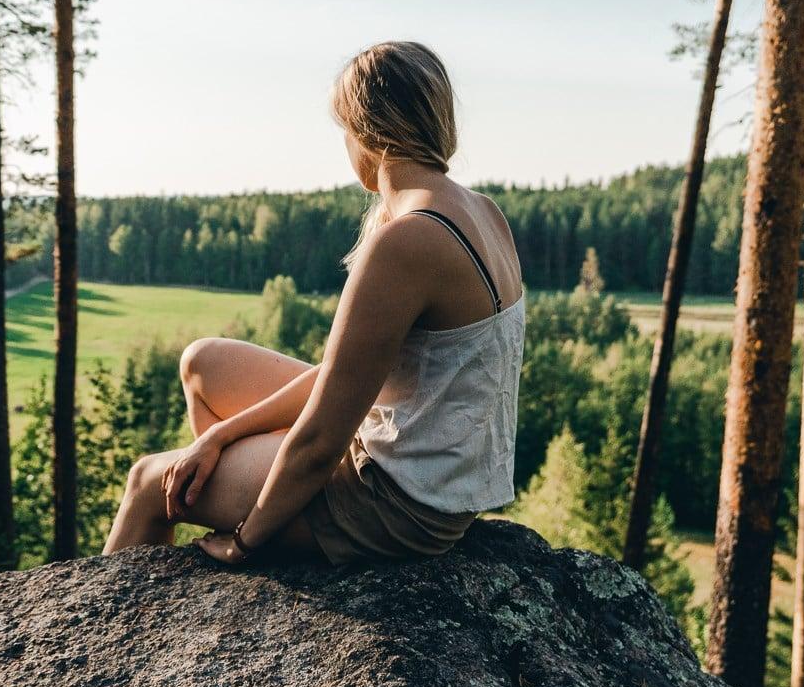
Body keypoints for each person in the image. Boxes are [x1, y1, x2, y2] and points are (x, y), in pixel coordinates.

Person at [102, 41, 525, 566]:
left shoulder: (408, 241)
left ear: (367, 134)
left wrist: (247, 540)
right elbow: (345, 377)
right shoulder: (483, 212)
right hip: (419, 472)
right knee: (203, 363)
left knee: (149, 481)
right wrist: (221, 437)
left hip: (398, 503)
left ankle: (131, 633)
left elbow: (323, 438)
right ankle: (255, 480)